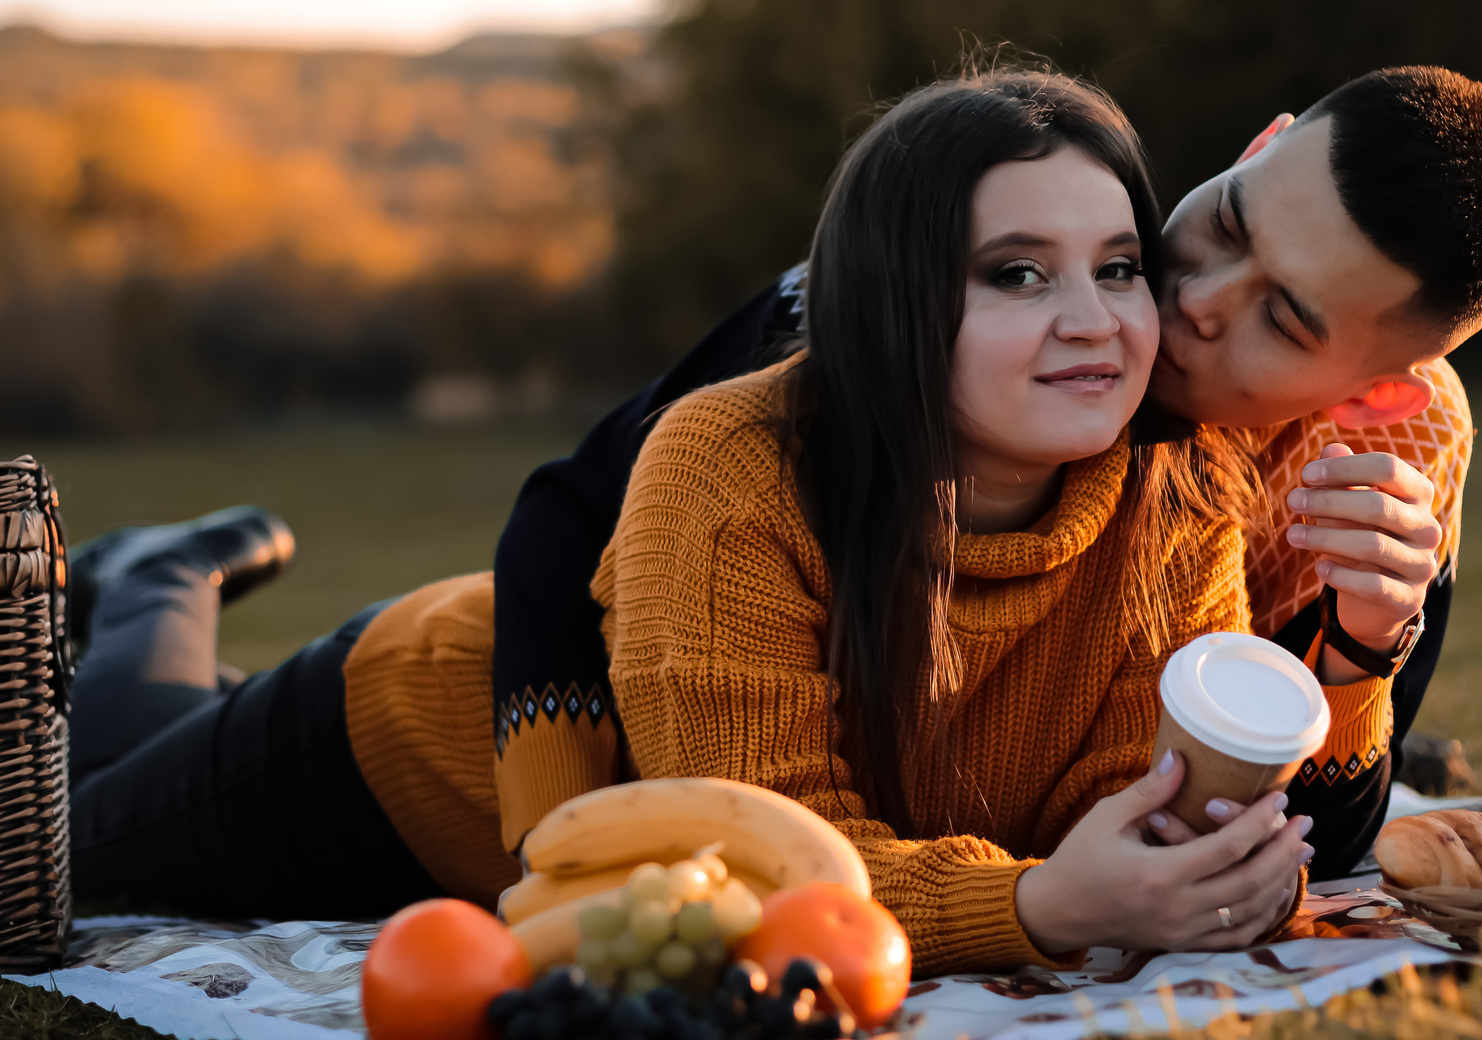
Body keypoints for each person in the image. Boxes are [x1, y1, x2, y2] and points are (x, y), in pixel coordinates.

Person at [70, 68, 1344, 971]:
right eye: (1015, 273)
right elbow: (759, 866)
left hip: (594, 784)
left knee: (133, 735)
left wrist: (1196, 848)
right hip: (399, 746)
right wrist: (1043, 910)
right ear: (894, 303)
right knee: (68, 834)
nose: (1094, 320)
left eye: (1117, 267)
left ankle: (154, 584)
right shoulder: (735, 464)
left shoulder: (1177, 487)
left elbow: (1128, 801)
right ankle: (156, 580)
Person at [487, 64, 1482, 881]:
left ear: (1371, 393)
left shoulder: (1381, 466)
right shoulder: (926, 306)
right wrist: (558, 841)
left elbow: (1302, 843)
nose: (1195, 298)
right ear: (1259, 144)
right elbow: (565, 518)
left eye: (1279, 319)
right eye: (1226, 218)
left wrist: (1362, 647)